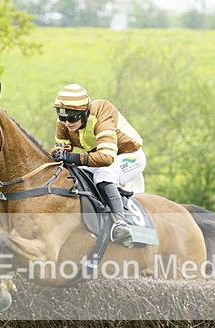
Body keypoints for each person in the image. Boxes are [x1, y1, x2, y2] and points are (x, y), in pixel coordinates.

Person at [50, 84, 146, 248]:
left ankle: (120, 223)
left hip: (129, 156)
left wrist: (70, 156)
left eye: (72, 117)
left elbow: (106, 158)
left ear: (84, 112)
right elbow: (62, 152)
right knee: (72, 175)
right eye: (62, 115)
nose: (66, 122)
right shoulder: (64, 123)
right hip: (99, 156)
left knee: (104, 175)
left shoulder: (102, 112)